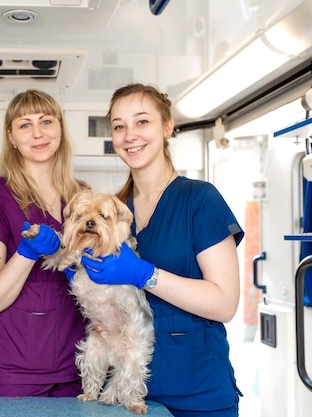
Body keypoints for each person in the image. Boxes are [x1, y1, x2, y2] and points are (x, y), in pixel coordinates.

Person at [70, 83, 245, 417]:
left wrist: (145, 274)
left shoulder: (200, 199)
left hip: (197, 391)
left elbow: (224, 303)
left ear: (167, 127)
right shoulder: (112, 212)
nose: (129, 135)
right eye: (119, 126)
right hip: (124, 392)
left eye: (142, 122)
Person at [0, 89, 87, 397]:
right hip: (12, 371)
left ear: (60, 128)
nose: (38, 133)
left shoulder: (83, 196)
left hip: (78, 367)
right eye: (25, 125)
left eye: (46, 121)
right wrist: (27, 253)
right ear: (11, 137)